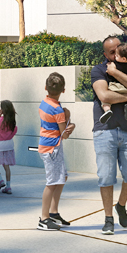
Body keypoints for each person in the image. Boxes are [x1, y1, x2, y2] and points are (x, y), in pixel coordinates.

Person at [91, 36, 127, 235]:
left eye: (118, 51)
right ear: (106, 54)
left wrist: (120, 77)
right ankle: (108, 218)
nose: (116, 55)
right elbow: (104, 95)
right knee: (106, 176)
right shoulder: (99, 70)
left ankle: (120, 205)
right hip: (105, 130)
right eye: (111, 52)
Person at [36, 71, 74, 230]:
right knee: (52, 182)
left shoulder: (44, 103)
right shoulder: (58, 110)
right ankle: (44, 218)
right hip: (53, 148)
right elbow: (63, 134)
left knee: (61, 177)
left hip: (47, 145)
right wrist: (70, 122)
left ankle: (53, 212)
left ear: (45, 87)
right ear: (63, 90)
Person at [99, 42, 127, 130]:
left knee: (106, 101)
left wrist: (110, 67)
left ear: (123, 58)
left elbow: (109, 70)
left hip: (116, 88)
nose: (115, 56)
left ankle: (107, 110)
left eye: (117, 55)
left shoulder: (115, 64)